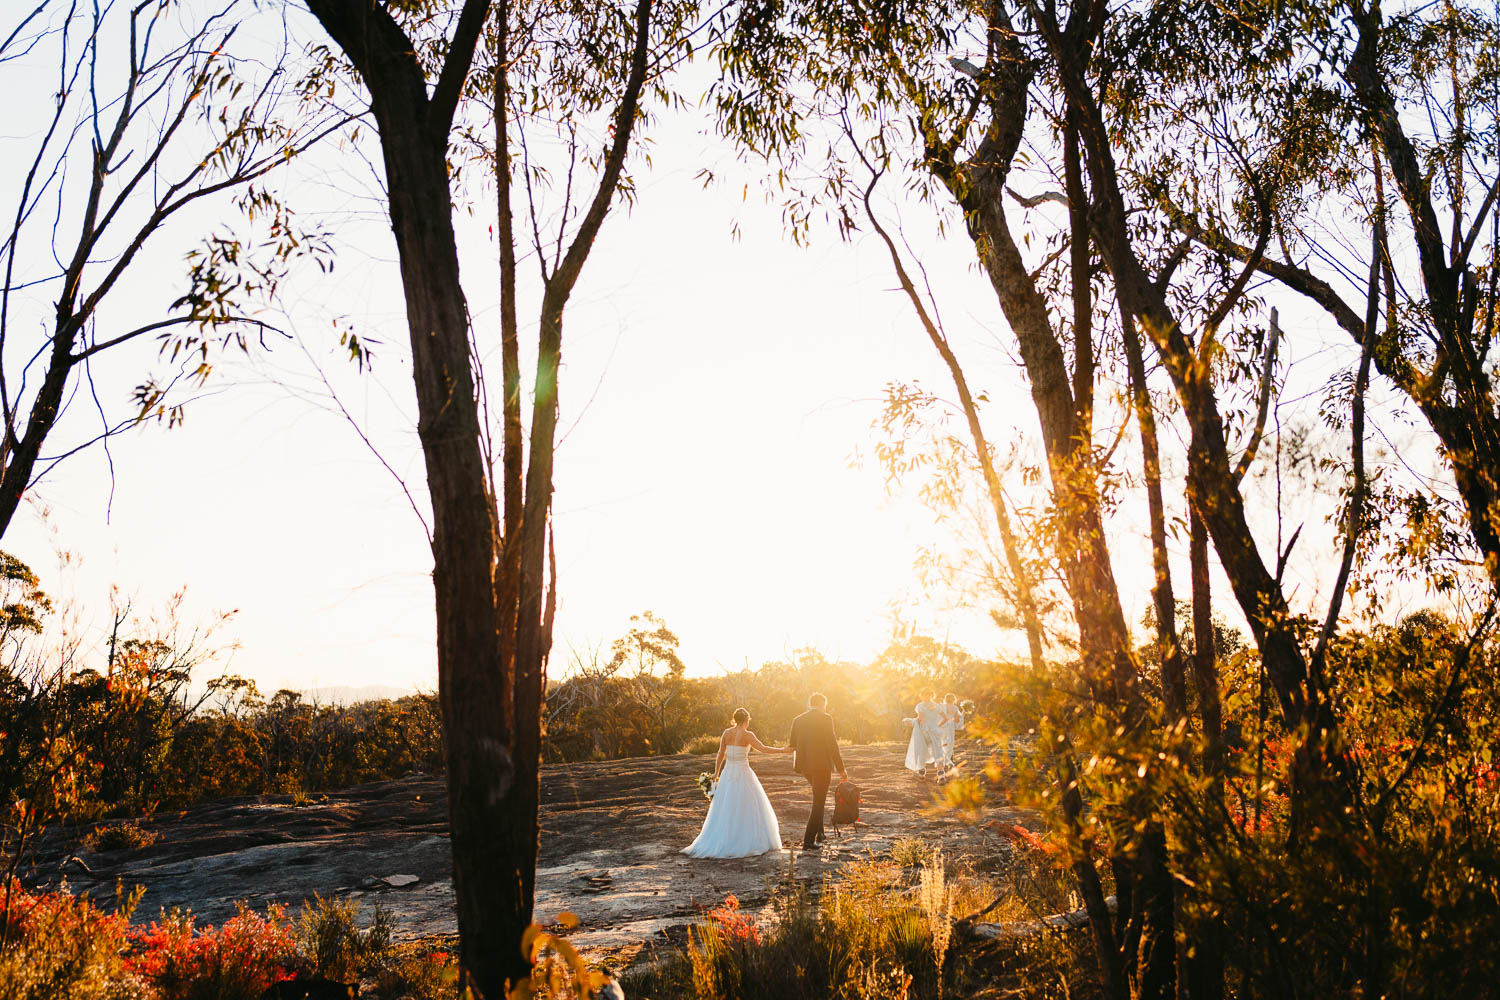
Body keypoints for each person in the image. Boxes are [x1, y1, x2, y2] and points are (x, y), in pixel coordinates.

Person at [681, 707, 792, 858]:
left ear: (734, 719)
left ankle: (724, 839)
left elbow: (721, 754)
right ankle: (744, 840)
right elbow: (764, 749)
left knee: (726, 807)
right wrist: (783, 750)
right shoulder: (748, 735)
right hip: (743, 773)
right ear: (746, 720)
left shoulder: (727, 733)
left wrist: (716, 773)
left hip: (728, 774)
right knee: (747, 806)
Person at [787, 692, 847, 849]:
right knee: (818, 802)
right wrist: (841, 769)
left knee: (817, 798)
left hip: (805, 767)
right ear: (822, 704)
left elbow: (792, 744)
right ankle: (808, 840)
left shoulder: (797, 720)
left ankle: (820, 834)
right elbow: (832, 744)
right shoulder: (825, 718)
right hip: (822, 766)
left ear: (810, 704)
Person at [905, 688, 944, 777]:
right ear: (932, 695)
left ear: (922, 695)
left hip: (924, 731)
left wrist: (912, 721)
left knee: (922, 749)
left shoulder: (920, 706)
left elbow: (921, 718)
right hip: (935, 731)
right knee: (937, 751)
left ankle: (922, 771)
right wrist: (937, 725)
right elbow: (945, 718)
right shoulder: (937, 705)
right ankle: (940, 773)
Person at [939, 692, 964, 769]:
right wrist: (962, 716)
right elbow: (956, 720)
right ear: (954, 699)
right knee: (949, 744)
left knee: (943, 743)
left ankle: (942, 760)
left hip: (942, 726)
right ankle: (947, 761)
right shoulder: (955, 708)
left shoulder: (941, 706)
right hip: (950, 727)